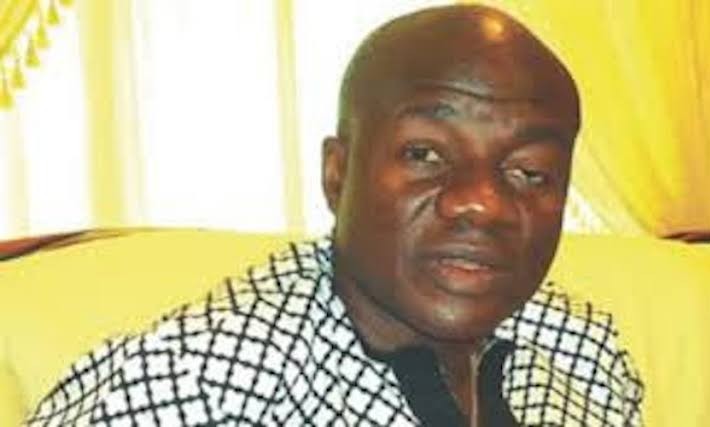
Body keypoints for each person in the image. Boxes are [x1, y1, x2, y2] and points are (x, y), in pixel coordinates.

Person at [27, 4, 643, 426]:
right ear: (337, 174)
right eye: (425, 154)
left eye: (529, 172)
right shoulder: (195, 385)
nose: (480, 202)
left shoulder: (581, 349)